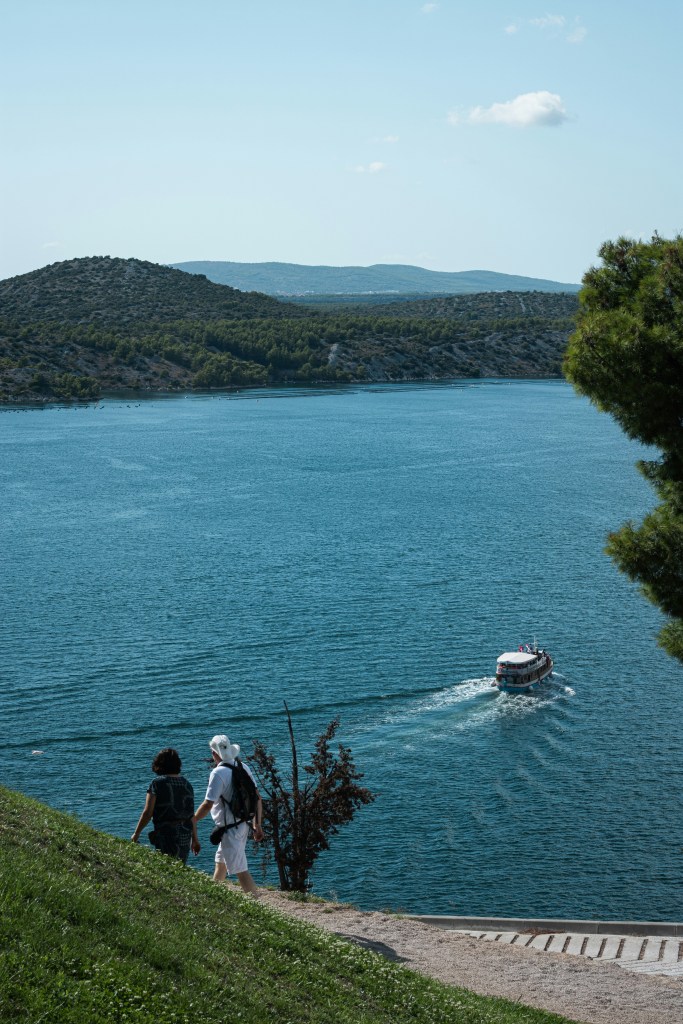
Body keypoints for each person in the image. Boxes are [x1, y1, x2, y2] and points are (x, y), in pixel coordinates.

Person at [192, 734, 263, 896]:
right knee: (221, 863)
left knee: (240, 870)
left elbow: (208, 804)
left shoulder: (218, 773)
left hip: (230, 829)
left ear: (214, 753)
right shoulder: (242, 767)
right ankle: (212, 897)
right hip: (243, 824)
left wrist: (193, 819)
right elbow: (257, 797)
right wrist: (257, 824)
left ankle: (258, 906)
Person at [131, 747, 200, 864]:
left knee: (166, 867)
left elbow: (148, 813)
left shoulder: (157, 783)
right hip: (185, 834)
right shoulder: (187, 784)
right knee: (180, 869)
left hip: (166, 833)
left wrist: (136, 834)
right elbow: (191, 815)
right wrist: (195, 839)